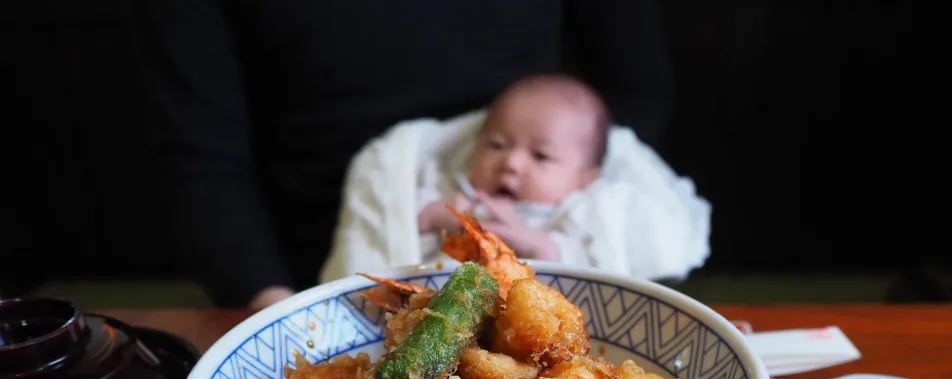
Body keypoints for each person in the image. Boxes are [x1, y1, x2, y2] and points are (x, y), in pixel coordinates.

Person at [133, 0, 674, 310]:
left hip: (555, 189)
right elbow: (198, 158)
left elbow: (635, 90)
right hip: (309, 261)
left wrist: (565, 183)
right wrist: (280, 308)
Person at [320, 73, 711, 283]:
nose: (512, 164)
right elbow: (411, 220)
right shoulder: (458, 192)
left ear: (584, 178)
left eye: (541, 156)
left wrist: (522, 236)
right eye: (497, 145)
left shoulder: (572, 214)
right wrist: (452, 213)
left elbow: (575, 266)